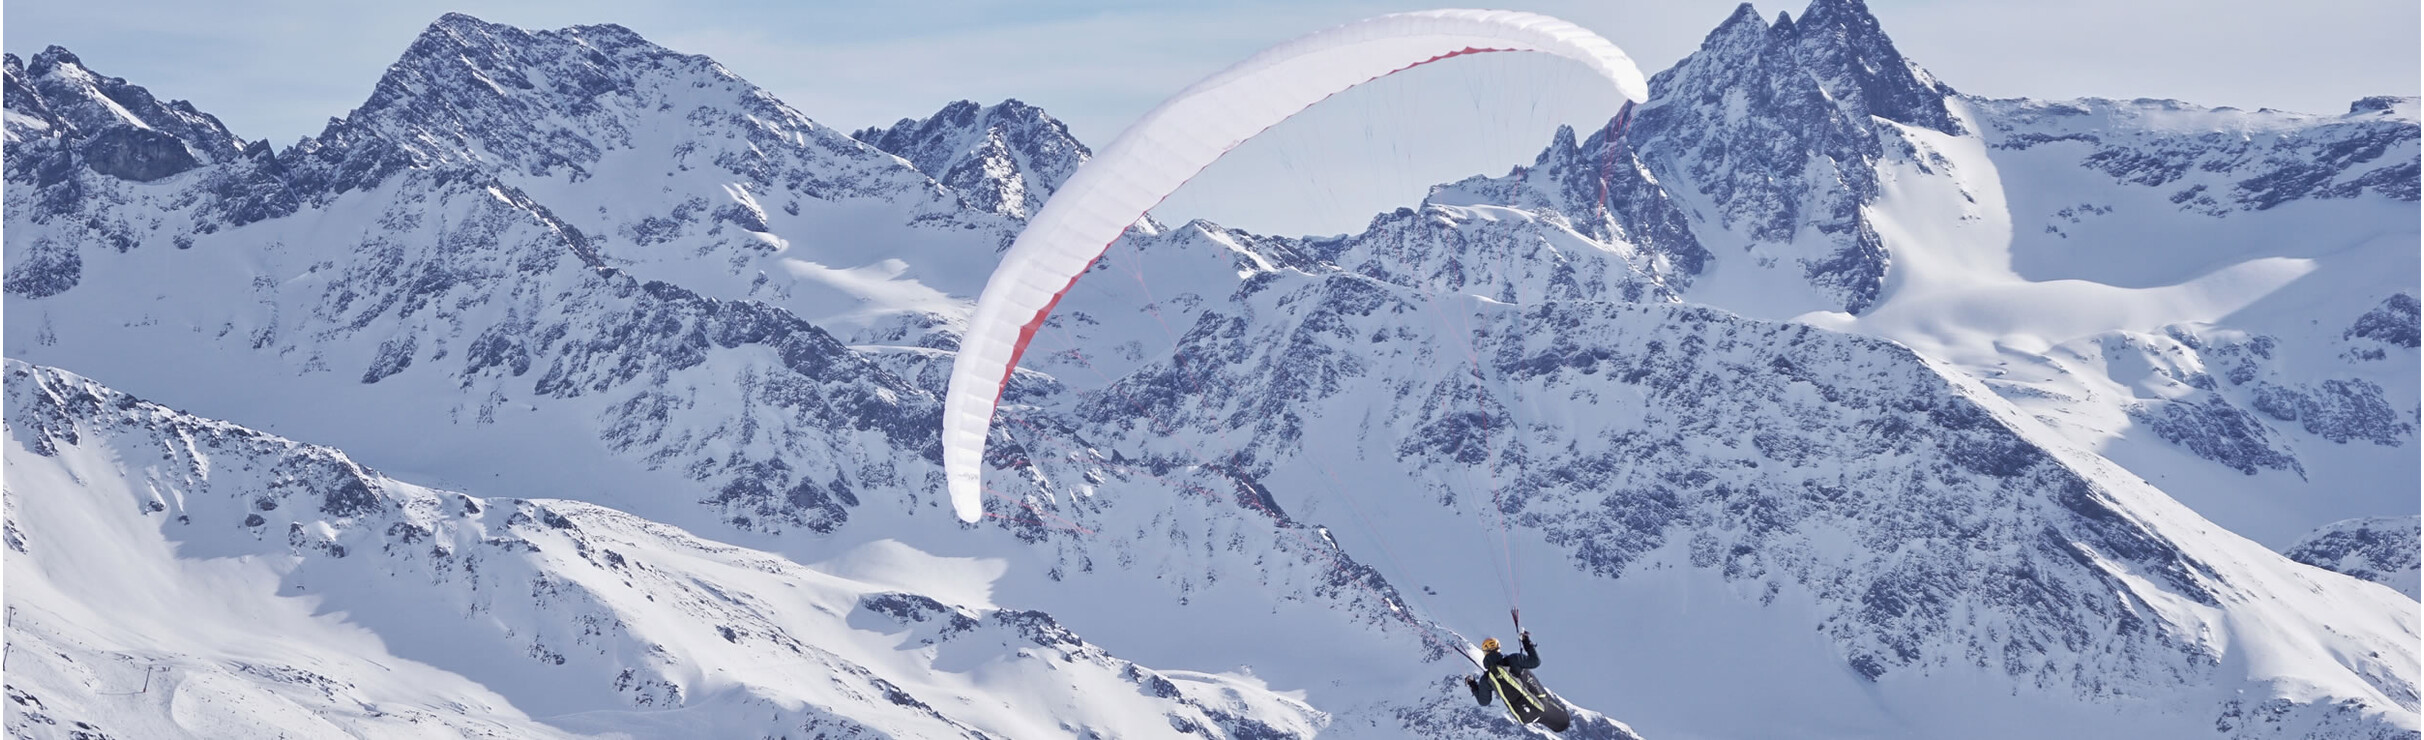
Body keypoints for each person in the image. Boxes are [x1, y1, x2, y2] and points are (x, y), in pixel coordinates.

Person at [1465, 631, 1568, 731]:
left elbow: (1484, 702)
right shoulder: (1513, 659)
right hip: (1541, 702)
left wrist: (1473, 685)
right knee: (1562, 721)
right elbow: (1535, 662)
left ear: (1484, 653)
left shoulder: (1486, 679)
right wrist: (1526, 642)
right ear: (1498, 648)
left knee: (1549, 719)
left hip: (1523, 716)